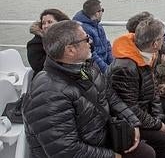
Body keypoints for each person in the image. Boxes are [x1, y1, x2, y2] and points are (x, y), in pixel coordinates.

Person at [23, 20, 154, 158]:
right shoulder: (48, 95)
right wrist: (112, 156)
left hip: (100, 136)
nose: (91, 41)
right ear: (70, 50)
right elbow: (66, 151)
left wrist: (132, 121)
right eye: (86, 38)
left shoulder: (86, 66)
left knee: (148, 152)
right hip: (87, 149)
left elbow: (109, 95)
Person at [108, 18, 165, 158]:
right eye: (163, 37)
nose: (164, 40)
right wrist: (157, 125)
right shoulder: (126, 67)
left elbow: (153, 90)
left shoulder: (145, 55)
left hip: (143, 111)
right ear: (155, 43)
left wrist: (159, 118)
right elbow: (129, 107)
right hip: (127, 119)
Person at [126, 12, 165, 122]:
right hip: (143, 109)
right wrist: (160, 68)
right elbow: (132, 102)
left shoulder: (157, 45)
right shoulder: (129, 61)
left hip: (155, 89)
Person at [72, 0, 113, 72]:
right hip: (96, 69)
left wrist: (112, 63)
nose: (102, 13)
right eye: (102, 10)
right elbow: (91, 54)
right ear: (97, 13)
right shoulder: (83, 30)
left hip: (105, 64)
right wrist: (107, 70)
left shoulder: (97, 25)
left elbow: (107, 44)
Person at [26, 8, 69, 76]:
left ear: (60, 23)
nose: (46, 26)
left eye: (50, 22)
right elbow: (39, 68)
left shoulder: (70, 38)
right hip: (47, 80)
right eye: (43, 23)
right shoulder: (35, 44)